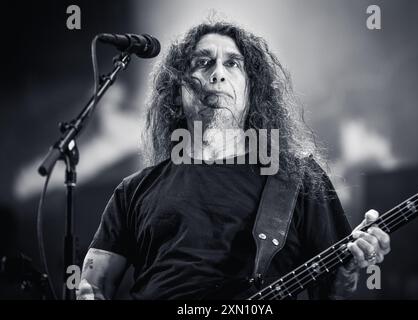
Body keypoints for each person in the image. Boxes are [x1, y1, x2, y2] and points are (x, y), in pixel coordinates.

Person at [76, 21, 391, 300]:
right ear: (177, 90)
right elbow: (95, 284)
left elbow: (334, 287)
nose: (217, 74)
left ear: (253, 91)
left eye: (233, 64)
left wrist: (353, 261)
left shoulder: (297, 177)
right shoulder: (133, 191)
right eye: (203, 62)